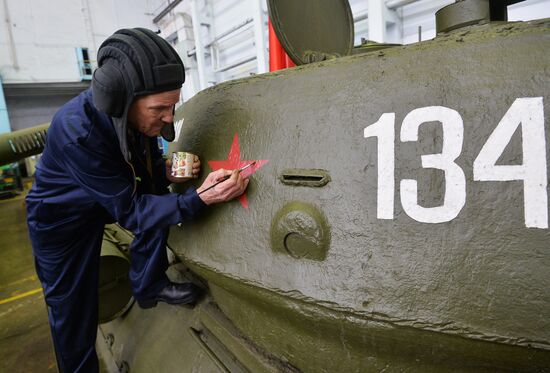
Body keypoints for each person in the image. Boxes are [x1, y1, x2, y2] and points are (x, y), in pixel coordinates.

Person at [25, 28, 249, 372]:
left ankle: (149, 286)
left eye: (172, 106)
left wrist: (166, 173)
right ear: (122, 100)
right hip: (61, 223)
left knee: (157, 197)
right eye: (160, 109)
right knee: (73, 311)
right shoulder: (77, 132)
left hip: (106, 197)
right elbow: (131, 212)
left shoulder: (132, 119)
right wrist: (202, 198)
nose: (169, 118)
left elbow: (138, 174)